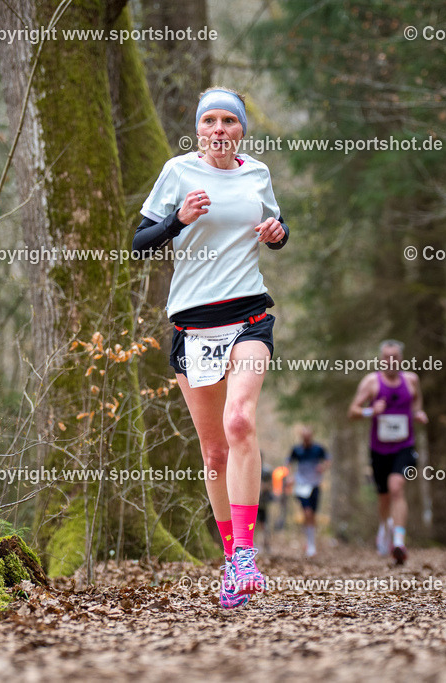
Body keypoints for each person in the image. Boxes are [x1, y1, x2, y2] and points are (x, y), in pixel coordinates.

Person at [132, 87, 290, 609]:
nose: (219, 129)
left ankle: (246, 554)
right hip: (193, 324)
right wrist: (178, 220)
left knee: (240, 421)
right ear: (198, 129)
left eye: (229, 120)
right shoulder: (178, 173)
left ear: (241, 129)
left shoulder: (256, 174)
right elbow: (139, 241)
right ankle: (229, 558)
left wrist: (275, 232)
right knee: (214, 450)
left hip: (248, 315)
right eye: (210, 121)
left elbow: (277, 228)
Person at [348, 340, 428, 565]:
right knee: (383, 497)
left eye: (395, 357)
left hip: (404, 446)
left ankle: (399, 541)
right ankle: (384, 529)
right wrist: (371, 411)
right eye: (386, 357)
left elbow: (416, 402)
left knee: (397, 488)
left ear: (401, 359)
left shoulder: (411, 380)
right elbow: (352, 411)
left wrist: (418, 413)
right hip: (379, 449)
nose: (391, 361)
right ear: (381, 359)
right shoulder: (371, 382)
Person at [287, 427, 330, 557]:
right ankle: (310, 544)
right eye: (304, 437)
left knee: (313, 514)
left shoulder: (318, 449)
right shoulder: (296, 450)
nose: (306, 439)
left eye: (308, 436)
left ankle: (311, 540)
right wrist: (290, 476)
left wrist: (323, 467)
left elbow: (328, 461)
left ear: (311, 436)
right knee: (307, 512)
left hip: (315, 484)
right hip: (301, 485)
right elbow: (288, 462)